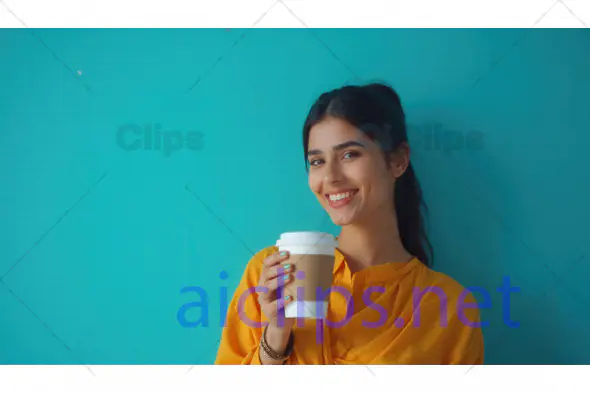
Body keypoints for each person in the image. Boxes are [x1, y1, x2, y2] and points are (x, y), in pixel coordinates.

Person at [214, 82, 484, 365]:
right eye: (317, 161)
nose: (330, 176)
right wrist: (277, 334)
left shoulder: (450, 307)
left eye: (349, 155)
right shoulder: (272, 274)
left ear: (398, 161)